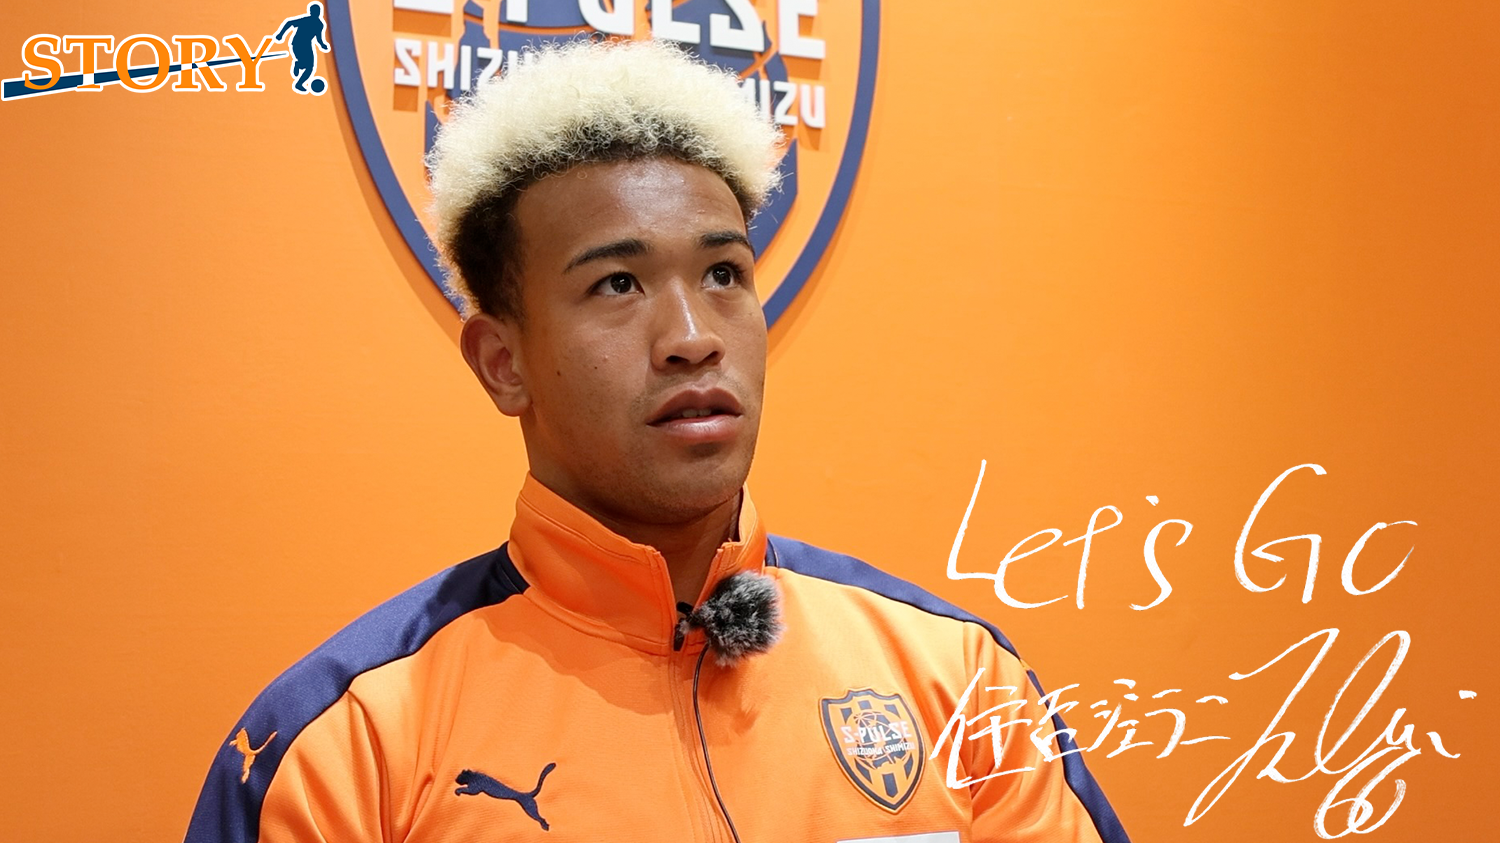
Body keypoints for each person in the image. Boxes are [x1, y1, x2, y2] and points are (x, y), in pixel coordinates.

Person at [183, 39, 1129, 843]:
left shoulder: (959, 677)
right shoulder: (348, 740)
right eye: (618, 285)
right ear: (503, 362)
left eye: (724, 273)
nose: (692, 336)